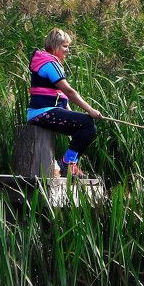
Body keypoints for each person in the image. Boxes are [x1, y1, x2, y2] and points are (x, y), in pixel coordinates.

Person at [27, 28, 103, 178]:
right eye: (65, 46)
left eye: (68, 46)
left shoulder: (50, 62)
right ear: (54, 46)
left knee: (88, 129)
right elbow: (69, 91)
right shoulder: (49, 63)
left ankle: (69, 163)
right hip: (41, 112)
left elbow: (61, 96)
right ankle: (66, 164)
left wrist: (71, 112)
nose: (68, 50)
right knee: (87, 122)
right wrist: (91, 111)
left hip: (48, 111)